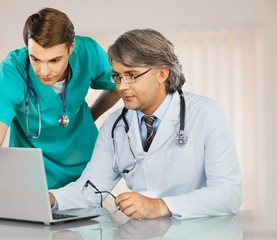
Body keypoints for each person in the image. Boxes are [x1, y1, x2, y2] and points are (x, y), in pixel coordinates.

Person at [0, 8, 119, 221]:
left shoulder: (89, 53)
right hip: (34, 184)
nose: (44, 71)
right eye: (35, 59)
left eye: (54, 60)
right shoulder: (11, 71)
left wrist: (92, 114)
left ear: (71, 48)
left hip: (85, 177)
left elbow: (119, 83)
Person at [49, 28, 243, 220]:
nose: (121, 86)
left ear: (162, 73)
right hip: (142, 232)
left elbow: (229, 194)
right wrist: (49, 198)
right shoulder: (114, 125)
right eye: (117, 76)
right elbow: (90, 189)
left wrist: (162, 206)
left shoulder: (206, 113)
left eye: (132, 75)